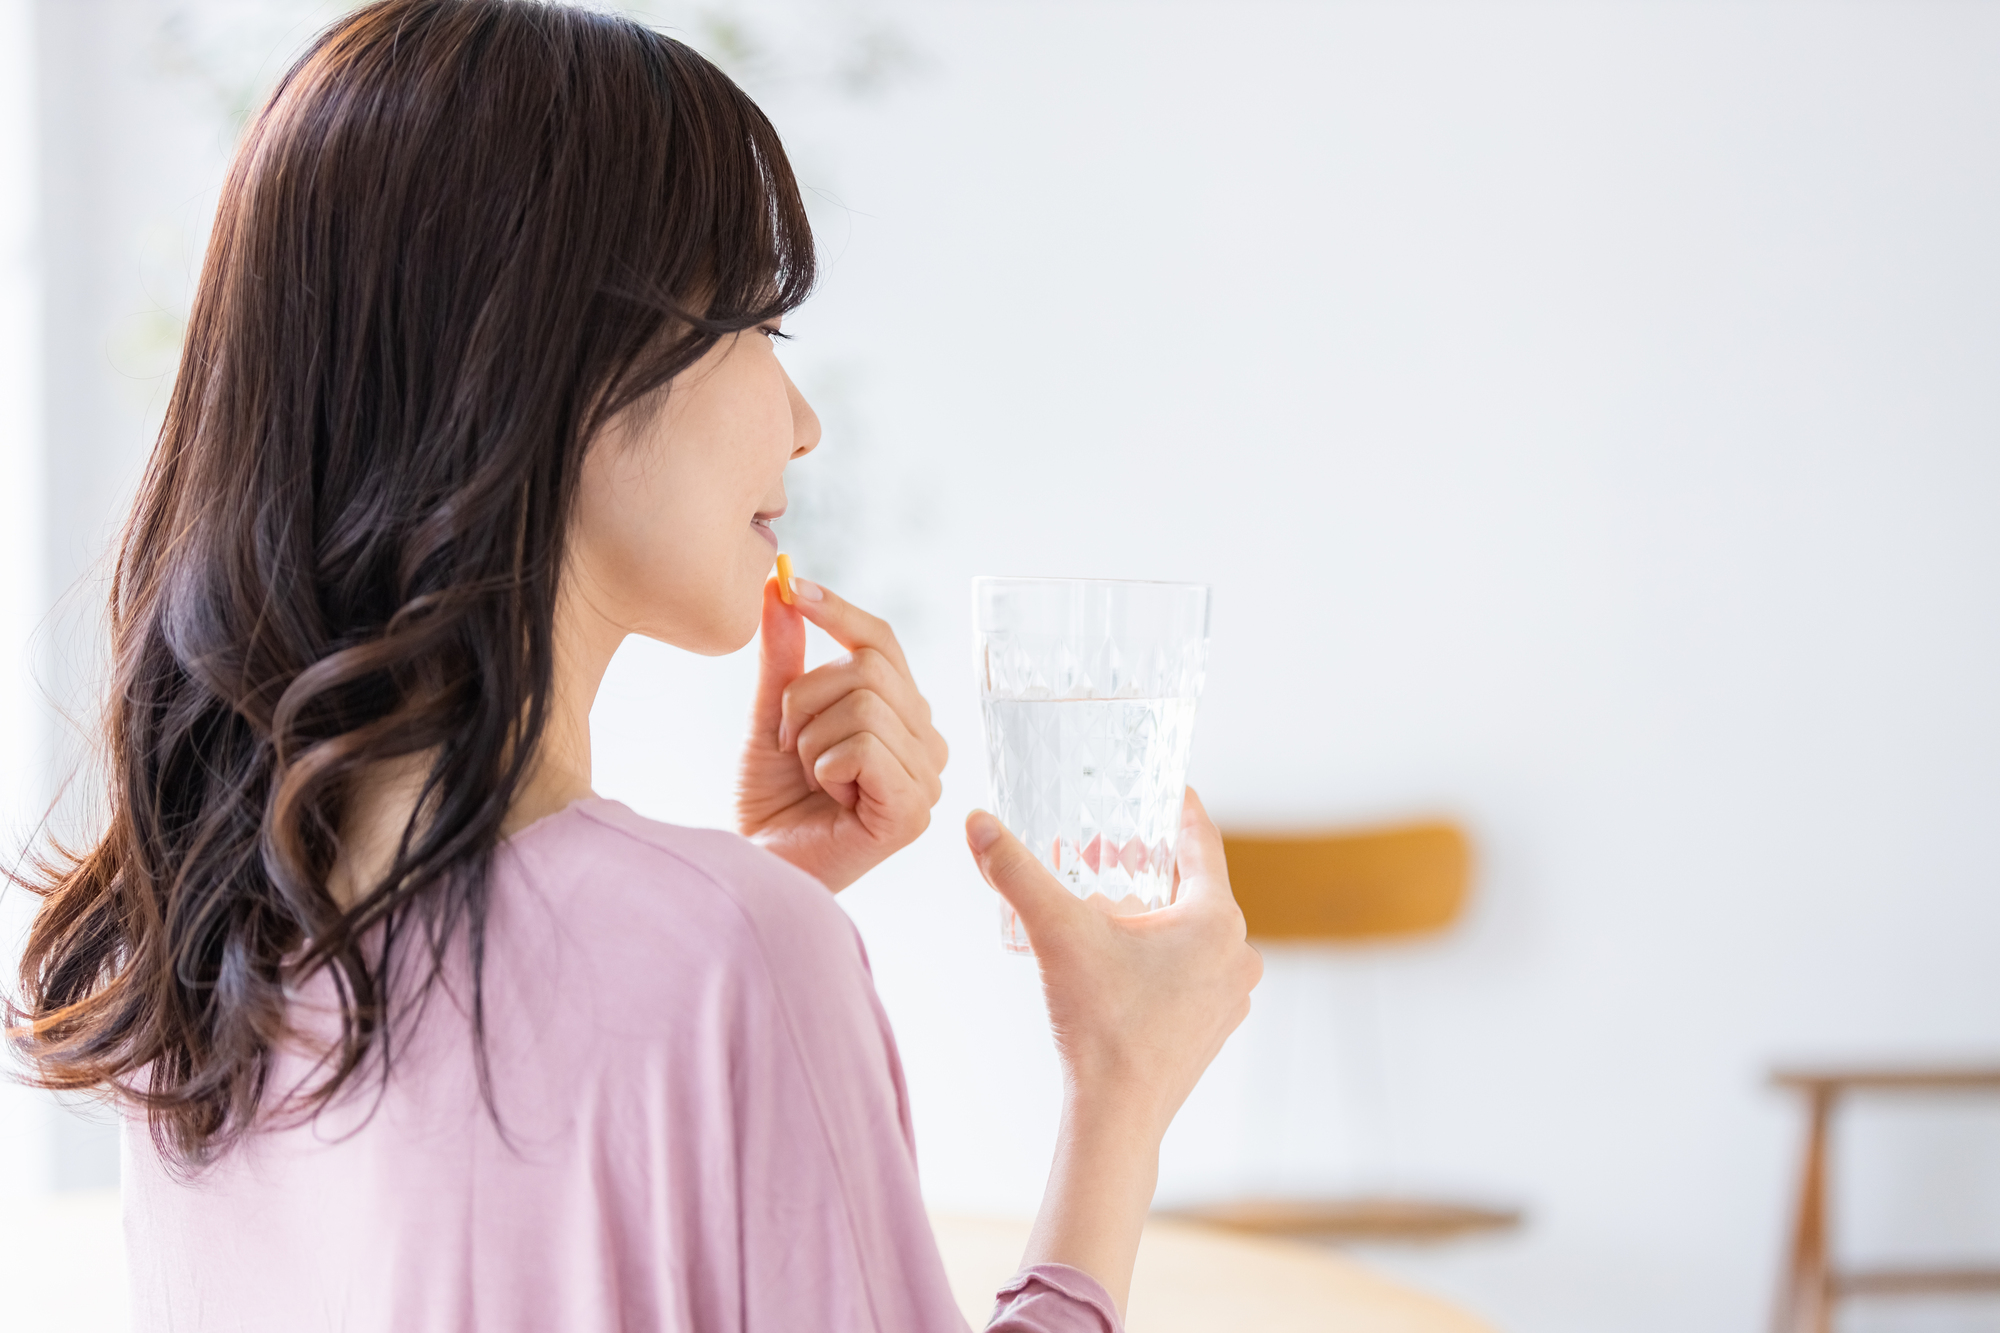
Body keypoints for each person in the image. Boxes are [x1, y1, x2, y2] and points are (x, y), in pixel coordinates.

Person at [9, 3, 1262, 1329]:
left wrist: (745, 912)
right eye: (762, 328)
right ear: (561, 366)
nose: (803, 423)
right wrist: (1121, 1084)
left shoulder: (200, 935)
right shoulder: (728, 954)